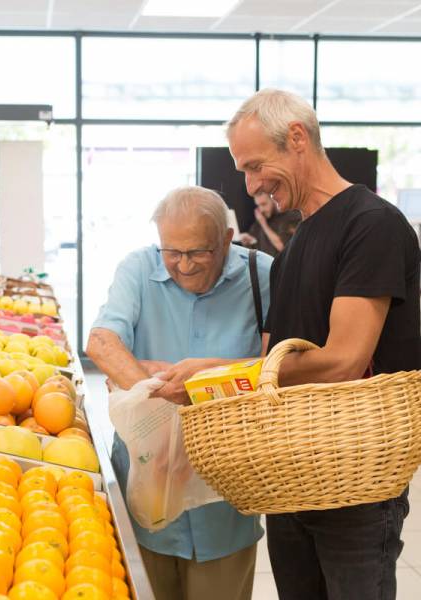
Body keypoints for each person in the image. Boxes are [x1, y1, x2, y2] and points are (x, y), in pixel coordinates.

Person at [227, 88, 420, 600]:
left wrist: (228, 375)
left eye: (255, 166)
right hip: (291, 477)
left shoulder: (371, 224)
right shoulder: (294, 249)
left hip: (355, 478)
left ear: (297, 139)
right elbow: (273, 359)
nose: (250, 187)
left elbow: (343, 360)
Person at [86, 186, 273, 600]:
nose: (183, 266)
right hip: (148, 481)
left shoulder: (263, 276)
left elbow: (279, 369)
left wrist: (195, 377)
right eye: (172, 252)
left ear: (226, 239)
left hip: (225, 490)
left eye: (198, 253)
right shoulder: (138, 268)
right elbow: (102, 343)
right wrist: (158, 423)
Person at [240, 192, 300, 257]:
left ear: (274, 200)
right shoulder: (258, 224)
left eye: (264, 204)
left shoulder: (291, 217)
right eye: (258, 205)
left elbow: (284, 248)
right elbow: (254, 255)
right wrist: (247, 243)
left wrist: (264, 225)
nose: (261, 209)